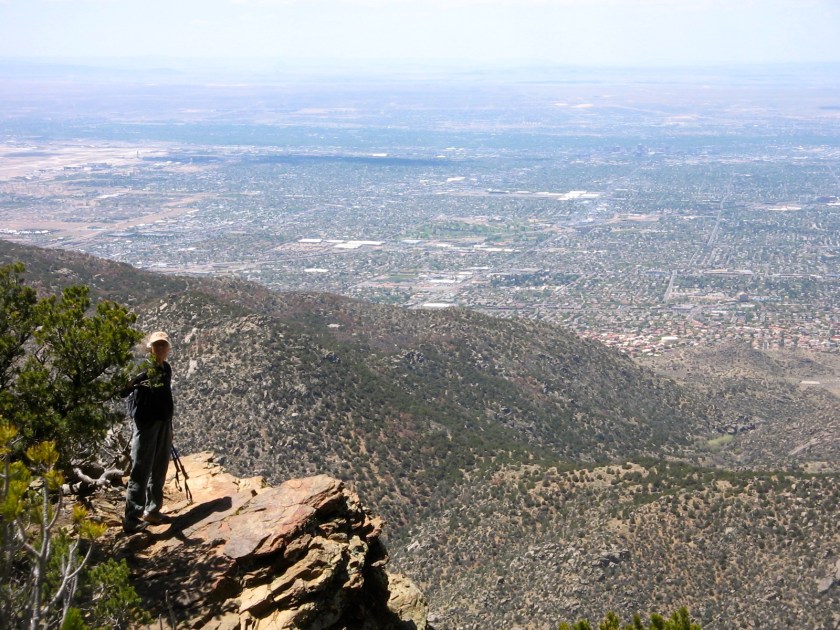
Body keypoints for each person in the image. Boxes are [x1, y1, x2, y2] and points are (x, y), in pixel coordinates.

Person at [123, 331, 175, 533]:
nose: (160, 349)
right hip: (146, 425)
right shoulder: (143, 370)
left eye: (163, 345)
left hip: (164, 423)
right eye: (157, 345)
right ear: (150, 348)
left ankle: (153, 510)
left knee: (160, 466)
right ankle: (132, 517)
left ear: (168, 348)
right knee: (141, 467)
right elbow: (125, 390)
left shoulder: (166, 368)